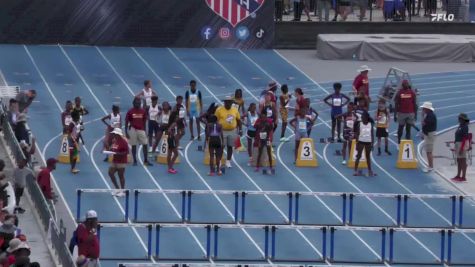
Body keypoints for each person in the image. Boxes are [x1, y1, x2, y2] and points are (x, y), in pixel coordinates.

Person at [215, 96, 242, 168]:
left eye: (230, 102)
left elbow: (239, 120)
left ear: (231, 103)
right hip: (222, 131)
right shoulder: (219, 110)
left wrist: (241, 129)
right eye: (227, 102)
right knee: (221, 146)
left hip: (232, 131)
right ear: (224, 102)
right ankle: (219, 161)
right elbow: (215, 120)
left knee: (230, 146)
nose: (228, 103)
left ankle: (228, 161)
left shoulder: (235, 110)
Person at [125, 98, 153, 166]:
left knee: (145, 144)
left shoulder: (143, 111)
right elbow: (126, 122)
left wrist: (145, 131)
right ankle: (135, 160)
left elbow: (144, 122)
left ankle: (145, 160)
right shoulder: (130, 111)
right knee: (134, 145)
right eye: (137, 103)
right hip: (133, 129)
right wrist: (126, 132)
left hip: (141, 129)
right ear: (133, 103)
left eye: (139, 103)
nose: (138, 104)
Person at [394, 80, 418, 144]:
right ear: (402, 85)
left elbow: (415, 104)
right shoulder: (399, 93)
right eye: (405, 84)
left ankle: (407, 142)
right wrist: (395, 114)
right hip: (402, 113)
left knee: (408, 129)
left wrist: (415, 114)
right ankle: (399, 140)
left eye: (406, 84)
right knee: (400, 128)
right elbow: (396, 104)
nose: (406, 85)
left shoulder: (412, 93)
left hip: (410, 113)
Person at [353, 111, 376, 177]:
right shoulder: (359, 124)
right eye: (362, 117)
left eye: (363, 116)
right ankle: (355, 170)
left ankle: (369, 170)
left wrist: (372, 144)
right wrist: (357, 142)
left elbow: (372, 135)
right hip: (361, 142)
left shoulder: (370, 124)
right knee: (359, 156)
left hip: (368, 142)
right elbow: (357, 134)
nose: (362, 118)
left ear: (366, 118)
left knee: (368, 157)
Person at [108, 128, 129, 197]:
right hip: (115, 160)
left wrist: (118, 153)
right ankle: (117, 189)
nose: (113, 135)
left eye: (114, 134)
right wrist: (111, 150)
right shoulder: (115, 141)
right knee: (110, 173)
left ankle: (122, 191)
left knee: (121, 176)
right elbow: (113, 148)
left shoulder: (124, 142)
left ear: (118, 134)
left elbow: (126, 152)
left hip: (121, 161)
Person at [452, 113, 470, 182]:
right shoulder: (460, 126)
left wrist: (462, 148)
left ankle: (463, 177)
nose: (458, 119)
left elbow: (465, 137)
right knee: (459, 160)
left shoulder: (465, 127)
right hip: (458, 143)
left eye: (459, 118)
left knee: (463, 160)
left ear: (463, 119)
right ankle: (458, 175)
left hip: (462, 144)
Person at [420, 102, 437, 173]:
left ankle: (431, 167)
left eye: (424, 108)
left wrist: (422, 119)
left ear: (427, 109)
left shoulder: (430, 116)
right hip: (428, 134)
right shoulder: (429, 115)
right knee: (428, 151)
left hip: (429, 135)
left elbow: (425, 124)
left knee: (429, 152)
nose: (423, 109)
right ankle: (430, 166)